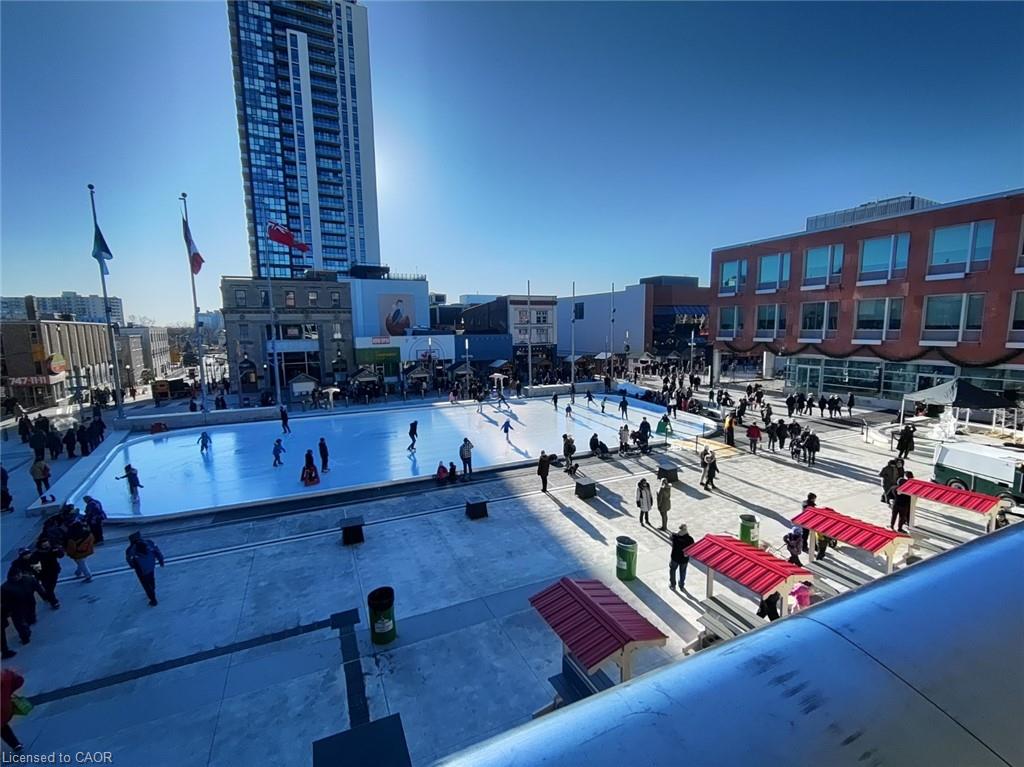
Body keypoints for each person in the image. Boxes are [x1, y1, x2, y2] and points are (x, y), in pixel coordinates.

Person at [125, 531, 165, 606]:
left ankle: (153, 600)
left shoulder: (130, 549)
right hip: (151, 565)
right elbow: (157, 551)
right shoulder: (149, 542)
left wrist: (132, 565)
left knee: (145, 584)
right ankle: (152, 588)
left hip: (140, 569)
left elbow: (128, 559)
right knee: (151, 578)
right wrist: (161, 561)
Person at [29, 539, 62, 609]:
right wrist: (38, 574)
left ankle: (48, 596)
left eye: (47, 544)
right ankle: (54, 602)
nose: (47, 546)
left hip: (54, 571)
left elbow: (60, 555)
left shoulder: (52, 549)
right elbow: (35, 565)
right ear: (41, 546)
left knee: (52, 586)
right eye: (45, 545)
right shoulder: (37, 554)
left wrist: (59, 550)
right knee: (48, 588)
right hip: (43, 574)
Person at [1, 667, 25, 751]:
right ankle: (15, 744)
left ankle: (15, 744)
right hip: (5, 709)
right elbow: (19, 680)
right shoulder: (4, 676)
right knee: (2, 726)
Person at [669, 523, 695, 590]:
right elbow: (693, 548)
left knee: (672, 570)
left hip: (675, 557)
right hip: (684, 559)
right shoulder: (690, 539)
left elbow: (670, 537)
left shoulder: (675, 536)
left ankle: (673, 585)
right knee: (683, 572)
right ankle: (681, 585)